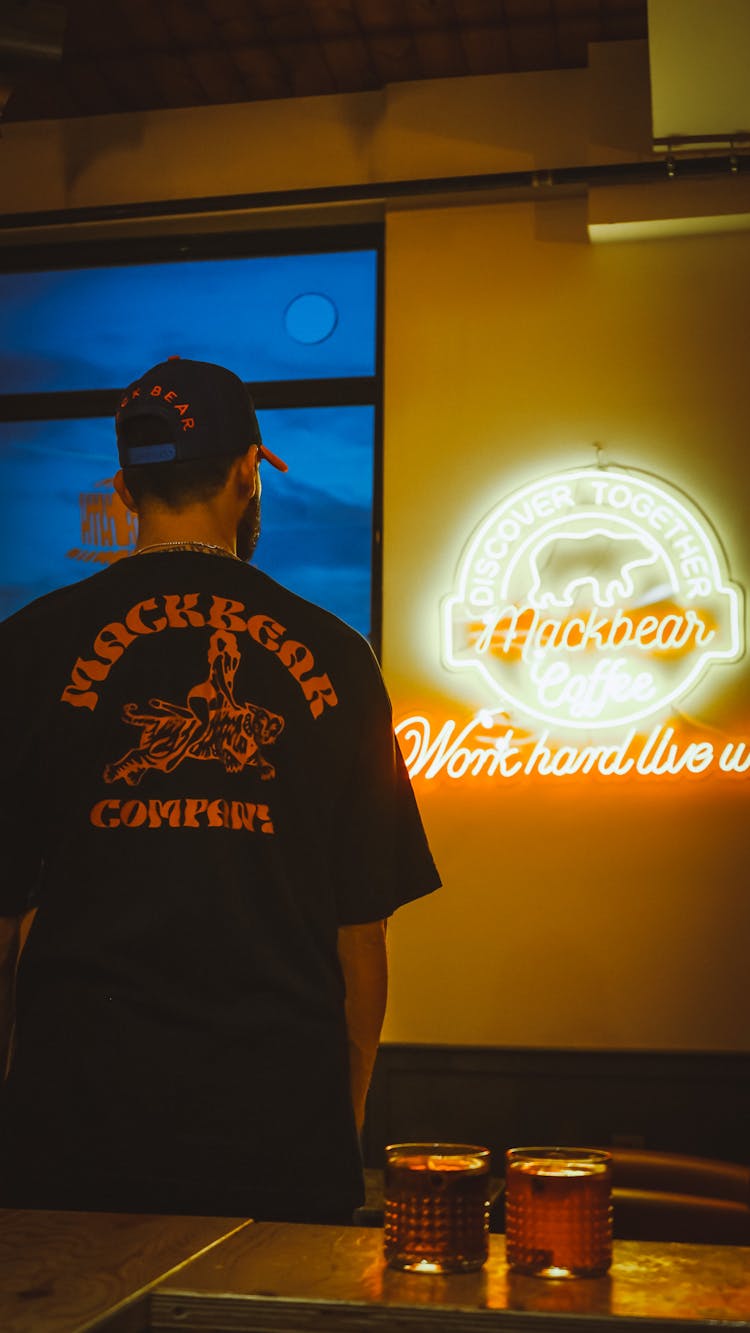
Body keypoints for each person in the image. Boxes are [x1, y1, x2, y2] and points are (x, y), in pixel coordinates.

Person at [0, 356, 440, 1221]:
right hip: (276, 1136)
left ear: (125, 490)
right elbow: (362, 935)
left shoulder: (26, 648)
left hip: (74, 1131)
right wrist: (337, 1125)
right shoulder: (339, 657)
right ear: (249, 471)